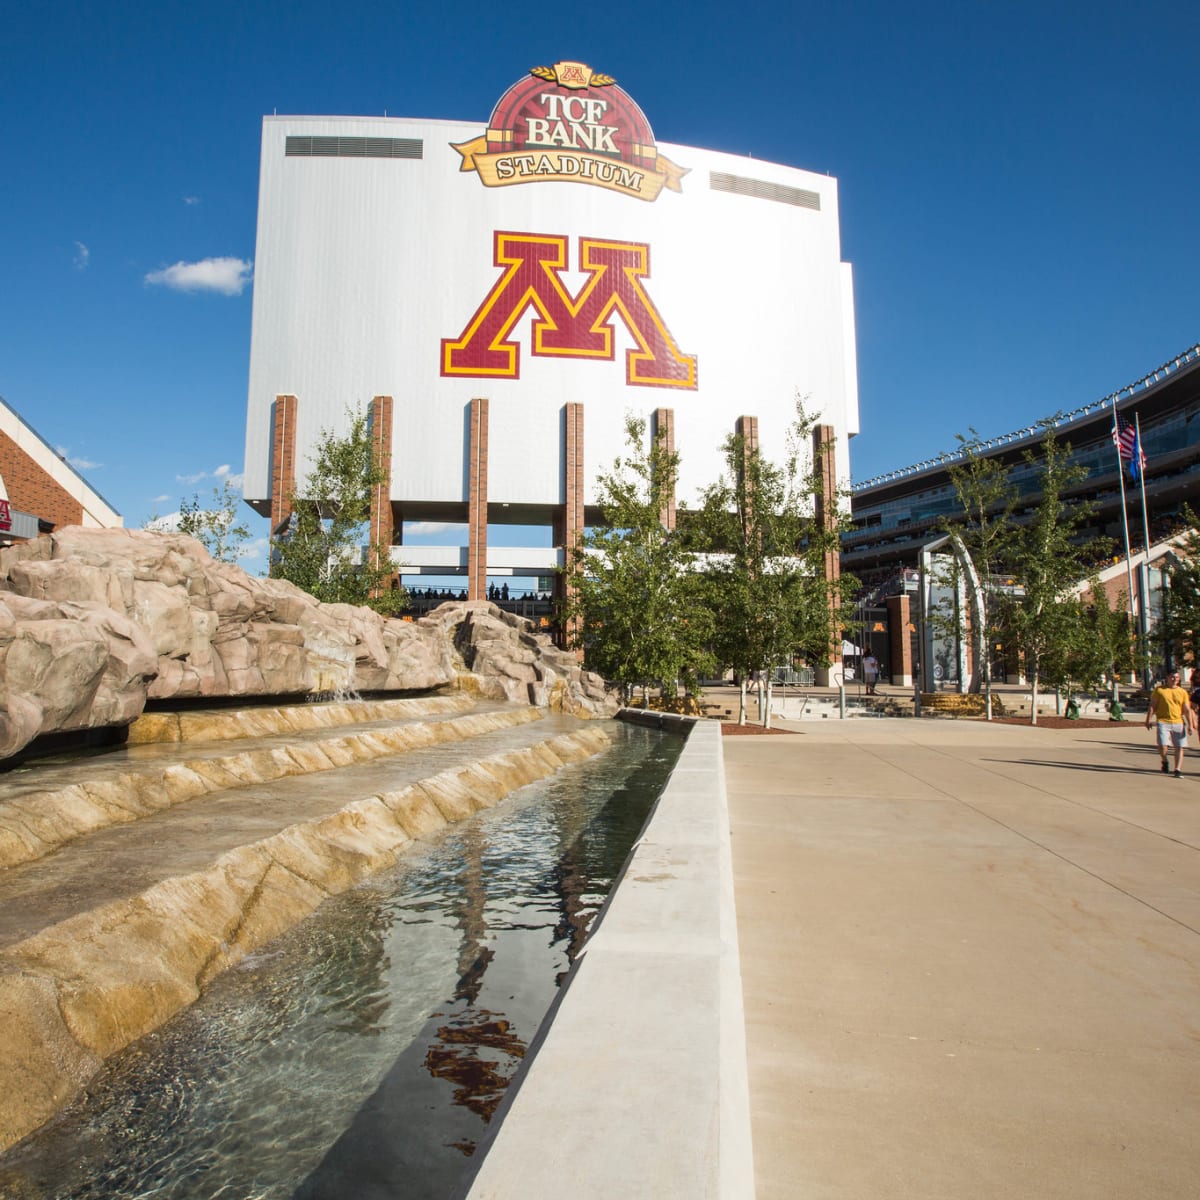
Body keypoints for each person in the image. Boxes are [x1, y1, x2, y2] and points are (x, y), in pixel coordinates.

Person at [1145, 668, 1194, 778]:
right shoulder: (1159, 690)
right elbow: (1153, 705)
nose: (1174, 679)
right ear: (1167, 678)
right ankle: (1165, 760)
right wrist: (1148, 719)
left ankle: (1177, 769)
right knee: (1162, 745)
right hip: (1163, 721)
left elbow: (1187, 709)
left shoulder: (1182, 692)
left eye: (1176, 677)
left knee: (1179, 746)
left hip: (1178, 722)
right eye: (1172, 677)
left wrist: (1190, 725)